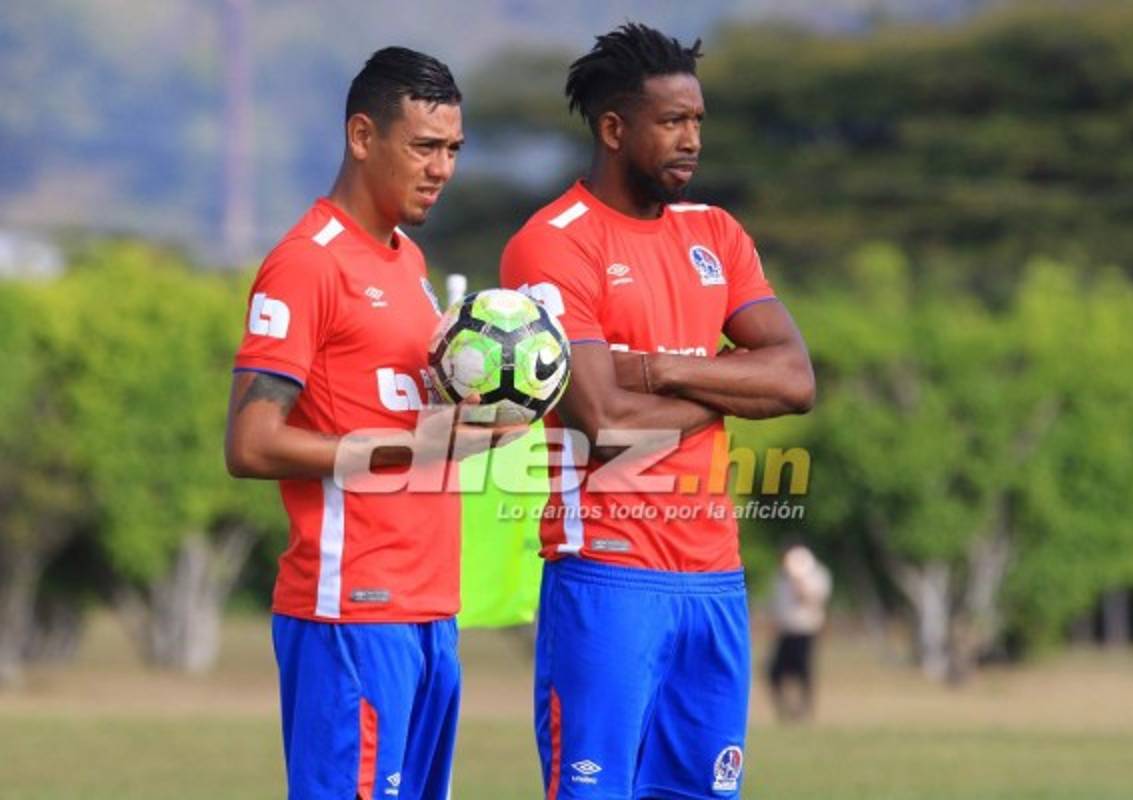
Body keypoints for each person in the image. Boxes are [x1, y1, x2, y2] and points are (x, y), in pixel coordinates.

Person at [500, 23, 815, 800]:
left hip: (716, 581)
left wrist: (665, 368)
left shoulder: (716, 233)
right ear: (614, 129)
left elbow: (795, 380)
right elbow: (606, 423)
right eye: (673, 121)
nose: (692, 139)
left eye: (697, 120)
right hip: (609, 576)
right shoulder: (552, 245)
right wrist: (727, 381)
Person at [225, 47, 512, 800]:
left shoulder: (408, 260)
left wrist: (484, 416)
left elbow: (406, 417)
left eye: (453, 149)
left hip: (430, 609)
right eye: (424, 147)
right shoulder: (305, 263)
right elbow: (251, 443)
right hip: (351, 610)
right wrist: (416, 447)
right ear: (361, 135)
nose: (442, 169)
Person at [768, 543, 832, 722]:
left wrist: (799, 582)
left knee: (803, 671)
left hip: (805, 630)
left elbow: (813, 600)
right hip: (786, 631)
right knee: (774, 672)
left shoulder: (817, 575)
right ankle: (786, 710)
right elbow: (777, 604)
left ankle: (804, 710)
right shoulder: (781, 577)